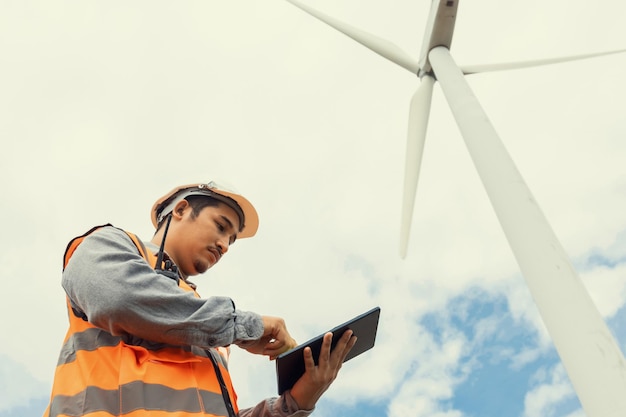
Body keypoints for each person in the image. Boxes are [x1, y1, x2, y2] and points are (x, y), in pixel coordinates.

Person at [44, 180, 357, 417]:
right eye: (221, 227)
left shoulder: (205, 327)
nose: (224, 245)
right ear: (180, 210)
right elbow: (116, 297)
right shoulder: (110, 244)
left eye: (231, 241)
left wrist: (295, 402)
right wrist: (247, 326)